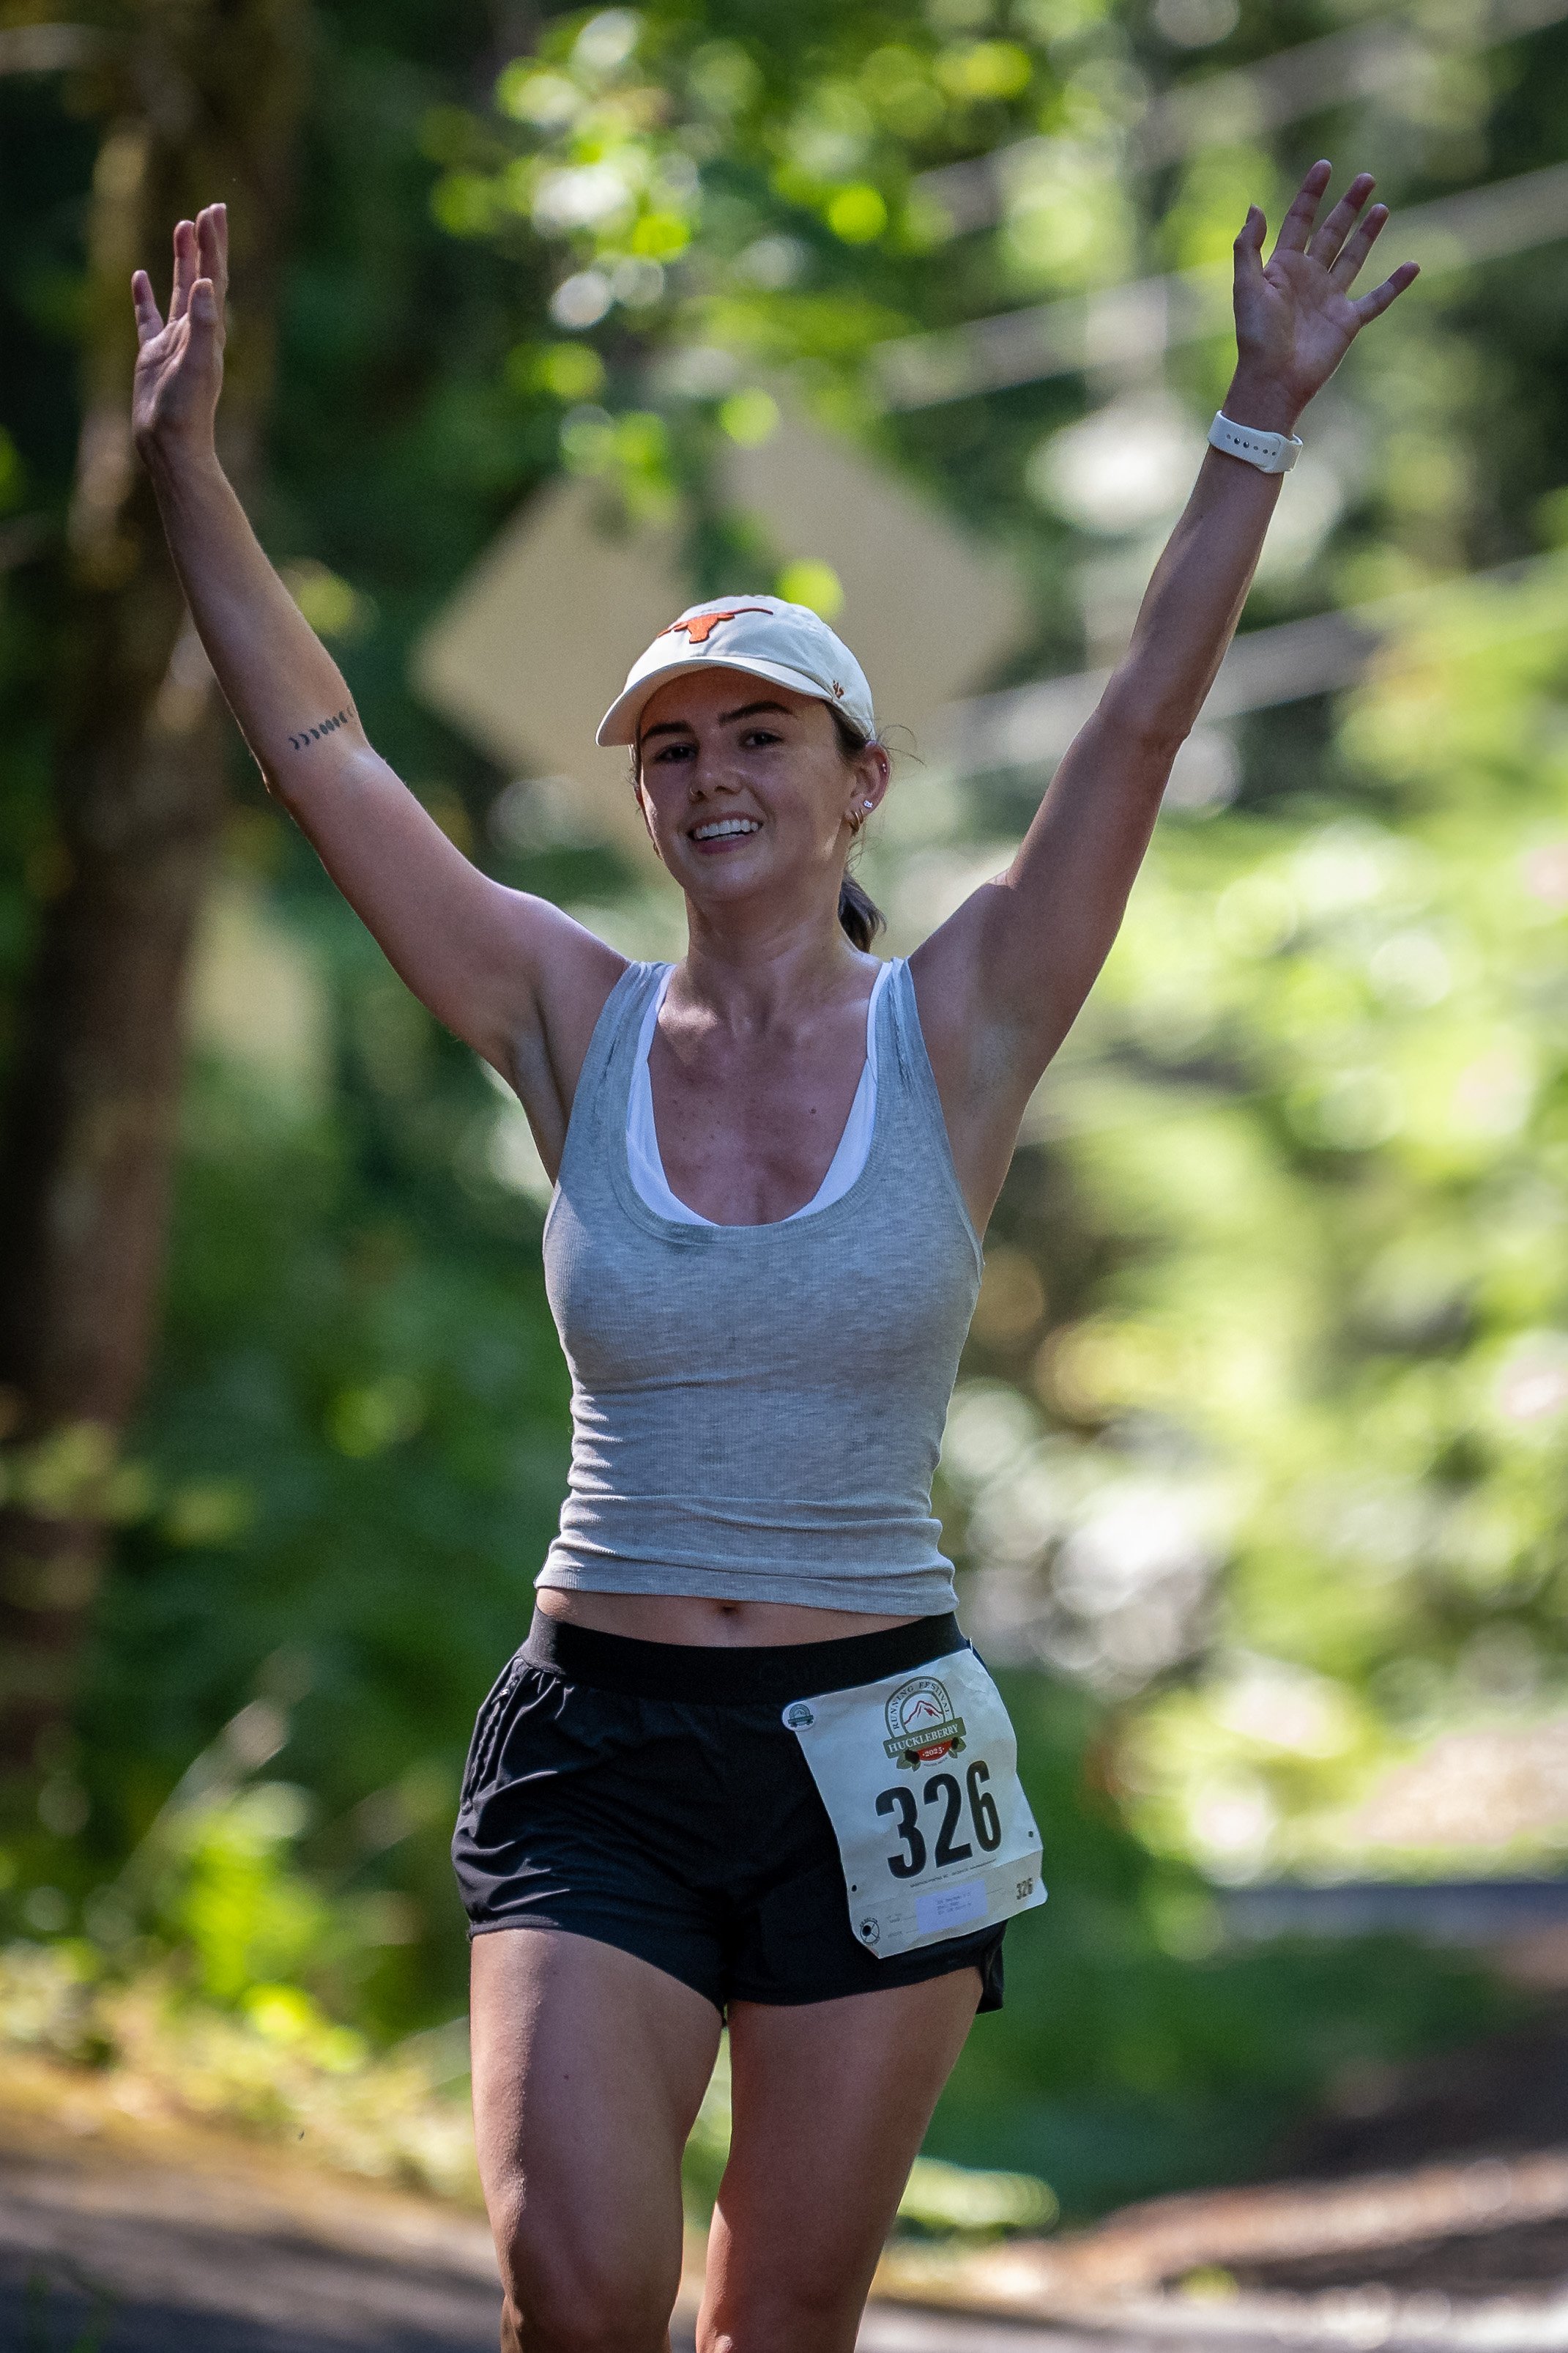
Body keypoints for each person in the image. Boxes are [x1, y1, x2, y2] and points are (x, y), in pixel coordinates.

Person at [130, 160, 1415, 2353]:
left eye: (760, 735)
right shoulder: (563, 1016)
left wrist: (1258, 416)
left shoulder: (966, 1024)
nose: (711, 775)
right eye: (671, 748)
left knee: (781, 2326)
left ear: (859, 780)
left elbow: (1136, 720)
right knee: (577, 2289)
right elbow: (323, 750)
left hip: (879, 1746)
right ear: (639, 799)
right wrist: (185, 472)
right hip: (602, 1746)